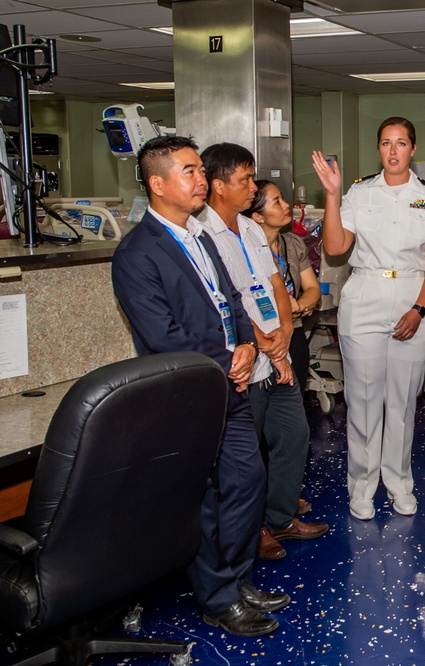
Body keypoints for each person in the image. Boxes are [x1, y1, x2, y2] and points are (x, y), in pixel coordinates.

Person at [111, 136, 285, 637]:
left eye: (200, 171)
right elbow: (161, 334)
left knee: (248, 481)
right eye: (189, 171)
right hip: (187, 394)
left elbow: (230, 299)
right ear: (157, 184)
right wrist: (229, 358)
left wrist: (249, 343)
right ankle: (217, 596)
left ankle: (233, 576)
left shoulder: (202, 236)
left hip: (229, 385)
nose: (201, 180)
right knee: (206, 497)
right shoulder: (137, 254)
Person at [315, 117, 425, 520]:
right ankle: (361, 486)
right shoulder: (358, 192)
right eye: (386, 143)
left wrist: (420, 308)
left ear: (412, 149)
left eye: (402, 143)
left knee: (403, 401)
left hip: (413, 294)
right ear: (379, 149)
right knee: (364, 400)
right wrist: (333, 196)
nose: (393, 151)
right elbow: (336, 247)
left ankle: (398, 483)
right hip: (365, 294)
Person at [200, 143, 327, 562]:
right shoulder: (204, 237)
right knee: (246, 455)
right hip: (245, 359)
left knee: (294, 435)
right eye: (246, 180)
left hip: (277, 352)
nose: (253, 187)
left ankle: (280, 517)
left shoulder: (251, 229)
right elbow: (227, 302)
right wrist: (262, 344)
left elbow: (275, 286)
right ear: (219, 186)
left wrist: (284, 337)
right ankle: (250, 530)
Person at [245, 179, 322, 392]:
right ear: (258, 216)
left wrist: (299, 305)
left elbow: (313, 290)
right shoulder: (246, 250)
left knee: (293, 399)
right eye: (277, 202)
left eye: (282, 198)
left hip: (293, 330)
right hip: (263, 335)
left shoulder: (293, 244)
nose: (286, 205)